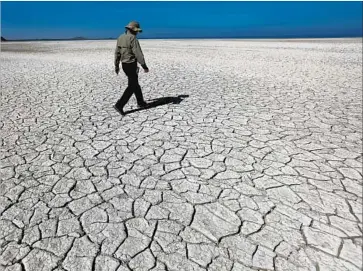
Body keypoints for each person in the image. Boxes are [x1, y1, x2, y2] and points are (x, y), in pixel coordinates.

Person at [114, 21, 149, 115]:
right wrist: (144, 66)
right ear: (133, 30)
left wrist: (116, 65)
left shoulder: (120, 37)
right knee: (132, 86)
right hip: (131, 65)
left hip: (124, 65)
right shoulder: (133, 38)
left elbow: (117, 53)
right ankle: (119, 105)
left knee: (135, 84)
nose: (137, 32)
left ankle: (140, 102)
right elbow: (138, 53)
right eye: (136, 31)